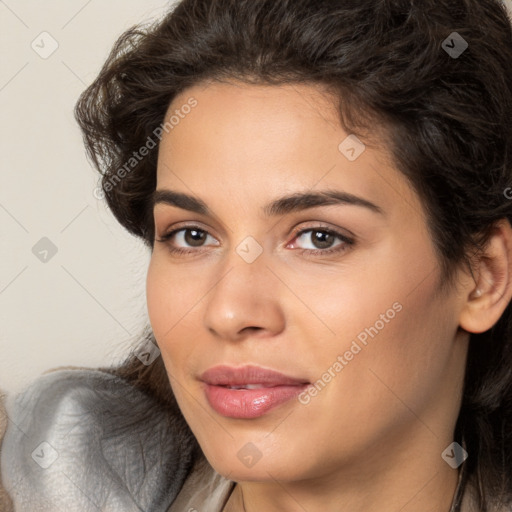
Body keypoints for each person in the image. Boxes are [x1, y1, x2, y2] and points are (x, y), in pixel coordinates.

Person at [1, 0, 512, 510]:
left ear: (483, 277)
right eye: (192, 236)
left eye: (319, 237)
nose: (228, 312)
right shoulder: (47, 479)